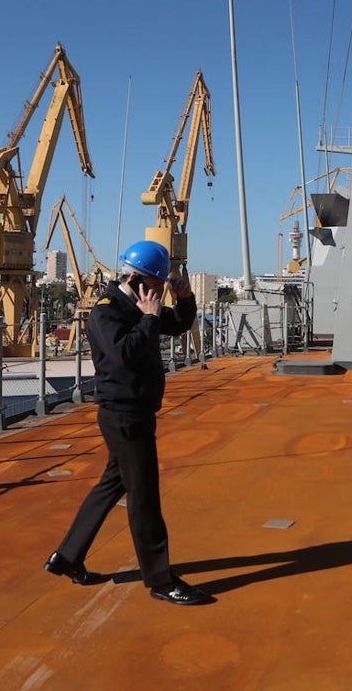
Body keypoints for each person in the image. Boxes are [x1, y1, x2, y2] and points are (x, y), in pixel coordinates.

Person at [44, 239, 211, 606]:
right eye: (158, 285)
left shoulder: (140, 305)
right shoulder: (108, 311)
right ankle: (160, 579)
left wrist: (183, 299)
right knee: (144, 497)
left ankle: (67, 557)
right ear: (138, 279)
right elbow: (122, 356)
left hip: (136, 410)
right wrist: (150, 318)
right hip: (124, 415)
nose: (159, 292)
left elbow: (180, 324)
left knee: (110, 486)